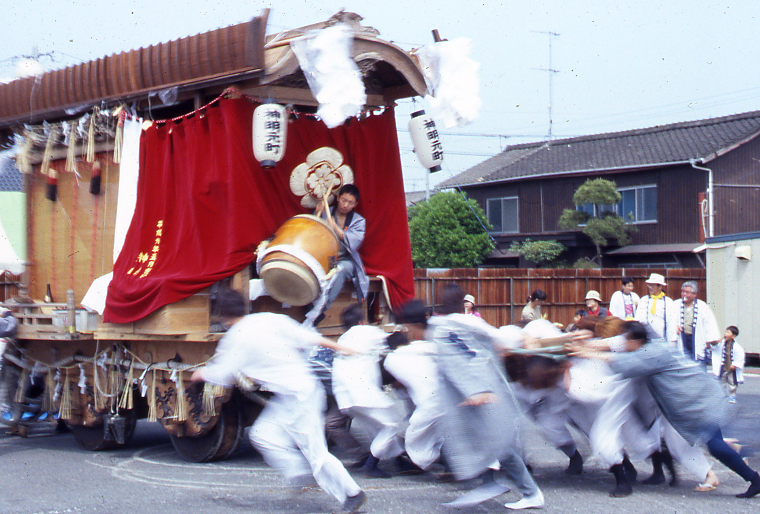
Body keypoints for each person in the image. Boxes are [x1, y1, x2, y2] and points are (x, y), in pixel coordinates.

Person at [190, 290, 367, 514]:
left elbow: (222, 373)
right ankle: (297, 472)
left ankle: (352, 493)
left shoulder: (234, 339)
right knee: (263, 434)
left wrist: (200, 374)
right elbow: (308, 338)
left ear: (222, 316)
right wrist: (339, 347)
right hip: (295, 395)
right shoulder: (269, 319)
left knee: (316, 453)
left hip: (300, 397)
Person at [570, 320, 760, 499]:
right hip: (701, 396)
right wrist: (588, 345)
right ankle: (751, 474)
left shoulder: (651, 354)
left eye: (627, 340)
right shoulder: (652, 343)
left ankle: (754, 478)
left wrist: (587, 353)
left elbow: (621, 363)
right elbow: (618, 345)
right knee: (715, 442)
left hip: (697, 401)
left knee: (715, 445)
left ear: (636, 341)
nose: (624, 344)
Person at [430, 284, 544, 510]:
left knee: (495, 443)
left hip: (478, 392)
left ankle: (528, 491)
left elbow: (459, 359)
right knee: (488, 441)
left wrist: (476, 388)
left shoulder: (444, 327)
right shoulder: (468, 322)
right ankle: (493, 483)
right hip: (481, 389)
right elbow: (501, 339)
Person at [331, 303, 405, 478]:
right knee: (391, 426)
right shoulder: (368, 332)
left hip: (344, 395)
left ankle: (399, 459)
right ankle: (371, 465)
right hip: (362, 391)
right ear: (362, 321)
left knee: (379, 426)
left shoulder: (343, 339)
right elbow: (393, 341)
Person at [383, 300, 444, 471]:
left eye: (408, 326)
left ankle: (442, 461)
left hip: (437, 400)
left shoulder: (398, 357)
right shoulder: (426, 343)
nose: (408, 331)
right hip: (442, 398)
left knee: (416, 438)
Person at [313, 184, 368, 324]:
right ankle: (309, 306)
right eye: (343, 200)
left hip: (346, 260)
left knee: (340, 270)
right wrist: (317, 213)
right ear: (337, 198)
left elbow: (354, 243)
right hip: (324, 258)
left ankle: (320, 309)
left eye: (350, 202)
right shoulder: (327, 212)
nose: (345, 205)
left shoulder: (359, 221)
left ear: (355, 204)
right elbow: (313, 233)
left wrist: (335, 227)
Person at [674, 280, 720, 364]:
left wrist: (709, 340)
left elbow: (709, 324)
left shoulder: (702, 306)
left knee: (697, 363)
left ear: (694, 294)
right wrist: (675, 326)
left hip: (697, 338)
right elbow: (670, 320)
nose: (684, 294)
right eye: (683, 291)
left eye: (687, 292)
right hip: (681, 337)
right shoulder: (675, 304)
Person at [634, 273, 677, 343]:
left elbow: (671, 323)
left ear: (660, 286)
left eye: (653, 285)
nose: (650, 287)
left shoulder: (668, 302)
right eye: (649, 285)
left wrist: (671, 343)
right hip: (646, 340)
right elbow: (638, 320)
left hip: (663, 340)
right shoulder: (644, 300)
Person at [710, 326, 745, 403]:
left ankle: (732, 395)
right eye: (726, 332)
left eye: (728, 332)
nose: (725, 334)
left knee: (732, 382)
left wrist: (735, 364)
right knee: (721, 381)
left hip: (730, 368)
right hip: (722, 367)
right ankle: (721, 394)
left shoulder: (737, 347)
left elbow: (740, 356)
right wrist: (716, 342)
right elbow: (713, 346)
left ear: (733, 336)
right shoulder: (721, 343)